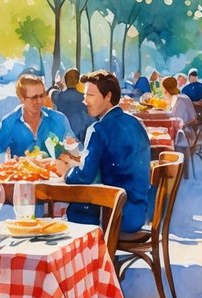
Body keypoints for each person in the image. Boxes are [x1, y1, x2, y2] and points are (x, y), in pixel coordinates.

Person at [53, 71, 154, 234]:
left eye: (90, 95)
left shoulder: (97, 129)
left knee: (73, 212)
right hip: (139, 212)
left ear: (108, 96)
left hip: (113, 215)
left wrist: (67, 172)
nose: (84, 101)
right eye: (85, 95)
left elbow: (84, 177)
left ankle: (86, 257)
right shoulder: (135, 122)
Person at [0, 73, 71, 158]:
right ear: (22, 98)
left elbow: (77, 150)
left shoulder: (59, 119)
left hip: (55, 171)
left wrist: (69, 154)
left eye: (42, 96)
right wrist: (4, 160)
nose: (39, 101)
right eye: (34, 97)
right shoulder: (9, 123)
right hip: (21, 171)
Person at [52, 68, 91, 143]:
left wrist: (57, 86)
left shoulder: (59, 97)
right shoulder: (84, 98)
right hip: (82, 136)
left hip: (64, 137)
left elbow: (51, 92)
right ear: (77, 81)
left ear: (65, 81)